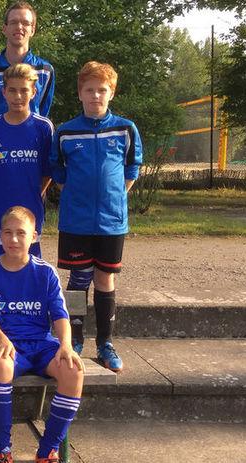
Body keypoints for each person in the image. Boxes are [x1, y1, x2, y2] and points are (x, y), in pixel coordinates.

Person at [0, 206, 83, 463]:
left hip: (40, 343)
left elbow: (60, 314)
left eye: (21, 233)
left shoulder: (45, 272)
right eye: (8, 233)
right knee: (1, 365)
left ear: (34, 236)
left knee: (73, 371)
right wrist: (1, 338)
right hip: (5, 342)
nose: (14, 239)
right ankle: (3, 453)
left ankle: (47, 454)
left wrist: (65, 345)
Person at [51, 61, 142, 371]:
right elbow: (57, 170)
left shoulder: (125, 128)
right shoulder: (66, 131)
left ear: (111, 93)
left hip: (111, 221)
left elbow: (132, 166)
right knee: (78, 279)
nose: (95, 96)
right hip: (76, 221)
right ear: (80, 93)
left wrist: (115, 196)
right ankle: (74, 340)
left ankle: (105, 343)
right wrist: (78, 195)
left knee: (105, 278)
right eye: (89, 90)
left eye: (102, 90)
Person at [0, 63, 53, 261]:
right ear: (3, 92)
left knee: (28, 264)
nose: (18, 96)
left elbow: (47, 173)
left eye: (24, 90)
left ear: (34, 92)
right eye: (12, 90)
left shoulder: (43, 127)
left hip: (31, 208)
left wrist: (31, 192)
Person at [0, 1, 54, 125]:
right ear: (4, 29)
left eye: (25, 23)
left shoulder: (45, 71)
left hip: (31, 137)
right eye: (14, 22)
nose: (19, 27)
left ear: (32, 30)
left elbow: (42, 112)